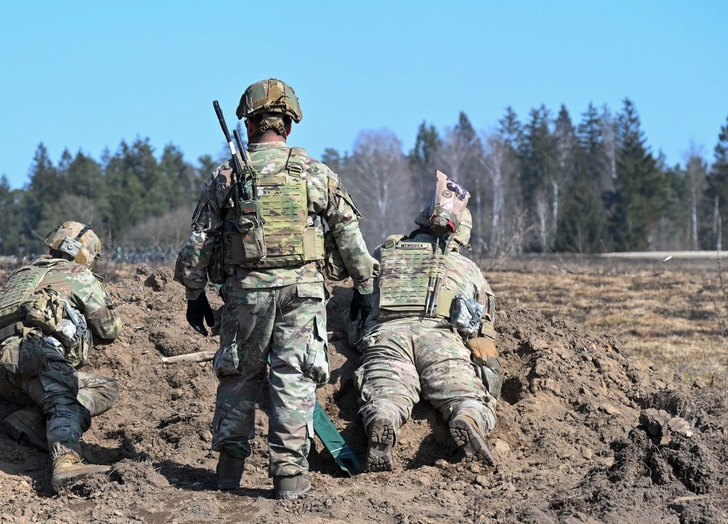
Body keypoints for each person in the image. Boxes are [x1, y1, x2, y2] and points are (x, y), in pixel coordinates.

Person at [174, 78, 378, 500]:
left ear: (248, 124)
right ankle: (288, 476)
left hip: (245, 294)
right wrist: (363, 285)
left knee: (238, 376)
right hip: (302, 293)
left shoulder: (227, 175)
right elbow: (349, 235)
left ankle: (229, 470)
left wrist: (195, 294)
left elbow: (199, 242)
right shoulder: (316, 174)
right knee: (295, 377)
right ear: (288, 125)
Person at [350, 171, 502, 472]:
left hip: (387, 335)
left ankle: (384, 419)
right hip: (438, 337)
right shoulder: (465, 267)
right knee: (465, 396)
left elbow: (359, 309)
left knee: (387, 394)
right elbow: (481, 328)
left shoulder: (384, 252)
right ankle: (467, 417)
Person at [0, 221, 124, 489]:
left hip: (0, 372)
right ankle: (66, 463)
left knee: (105, 388)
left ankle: (29, 420)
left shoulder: (21, 276)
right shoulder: (77, 274)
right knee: (64, 395)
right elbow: (109, 328)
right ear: (85, 253)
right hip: (36, 354)